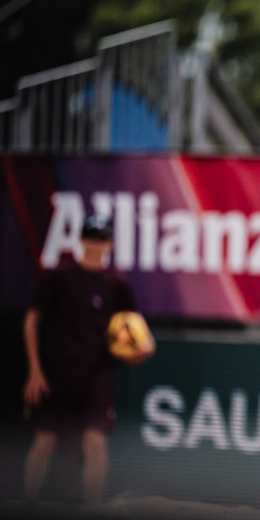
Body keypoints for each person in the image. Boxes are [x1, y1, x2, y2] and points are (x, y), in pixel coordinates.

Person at [22, 214, 152, 504]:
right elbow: (31, 320)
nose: (96, 245)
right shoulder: (59, 278)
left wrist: (143, 349)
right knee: (44, 441)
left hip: (96, 374)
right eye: (91, 238)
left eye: (101, 239)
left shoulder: (116, 283)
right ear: (80, 240)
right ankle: (26, 508)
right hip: (55, 372)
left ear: (111, 243)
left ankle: (92, 513)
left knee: (94, 442)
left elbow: (136, 328)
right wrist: (35, 371)